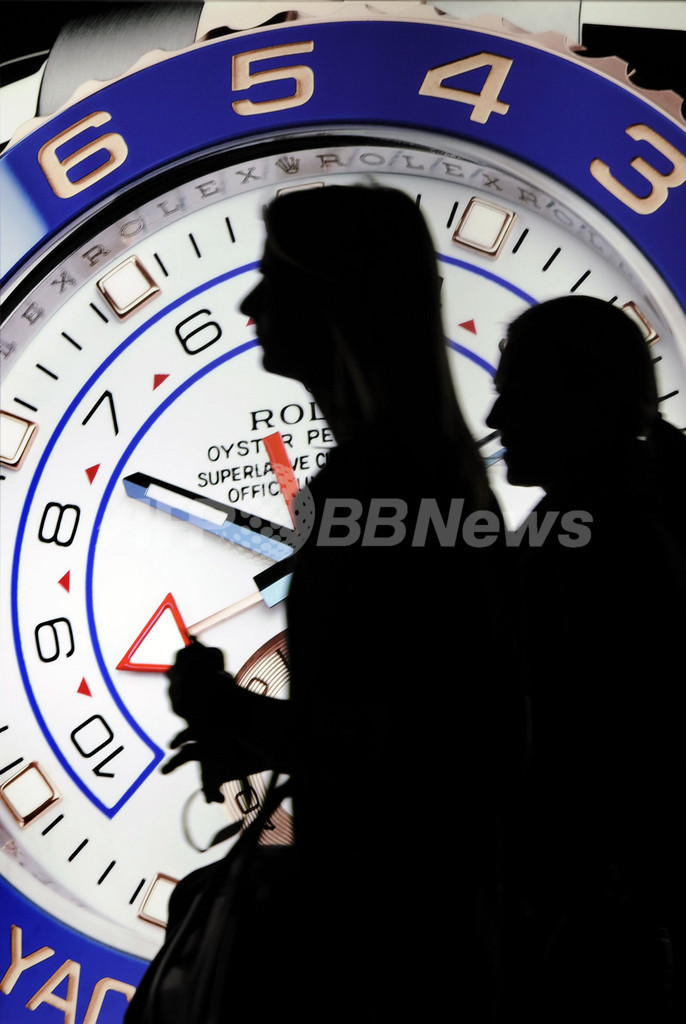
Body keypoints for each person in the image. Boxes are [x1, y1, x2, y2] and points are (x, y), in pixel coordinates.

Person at [147, 184, 519, 1023]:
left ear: (333, 300)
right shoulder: (432, 474)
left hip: (372, 931)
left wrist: (223, 707)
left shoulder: (369, 484)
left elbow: (378, 743)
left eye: (273, 279)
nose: (249, 303)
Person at [486, 295, 686, 1022]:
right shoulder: (637, 510)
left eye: (515, 395)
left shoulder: (581, 538)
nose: (495, 419)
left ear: (582, 399)